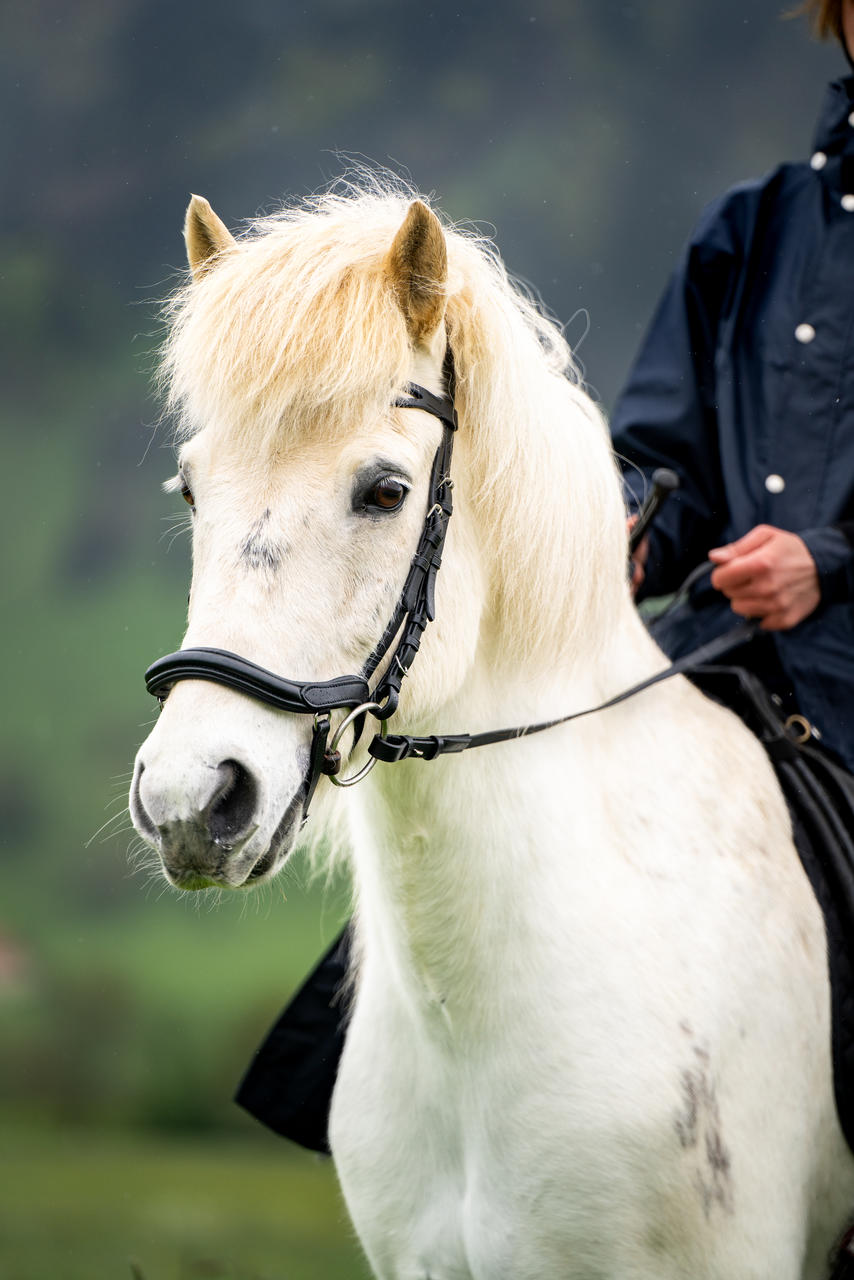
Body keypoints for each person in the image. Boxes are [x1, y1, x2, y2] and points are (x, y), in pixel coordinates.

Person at [613, 0, 854, 773]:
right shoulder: (749, 227)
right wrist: (630, 530)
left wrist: (829, 561)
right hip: (711, 664)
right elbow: (664, 464)